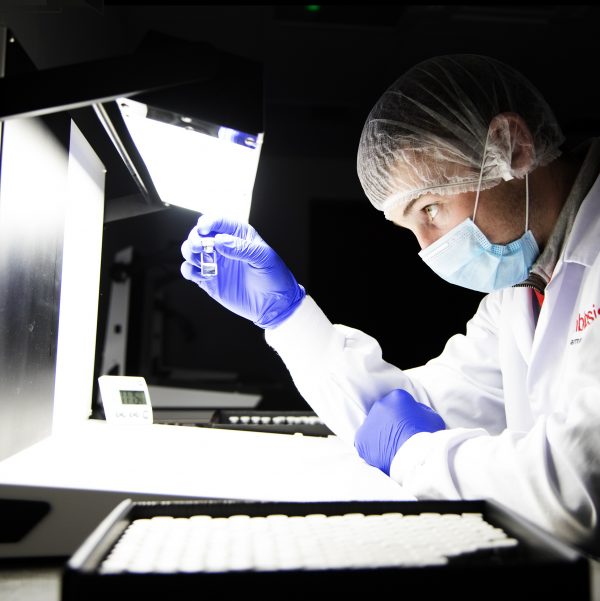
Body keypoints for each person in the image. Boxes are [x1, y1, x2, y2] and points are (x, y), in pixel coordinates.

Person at [180, 54, 600, 554]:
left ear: (513, 147)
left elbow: (579, 488)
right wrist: (289, 318)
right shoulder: (520, 293)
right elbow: (407, 413)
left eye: (430, 208)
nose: (428, 247)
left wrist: (414, 456)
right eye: (409, 227)